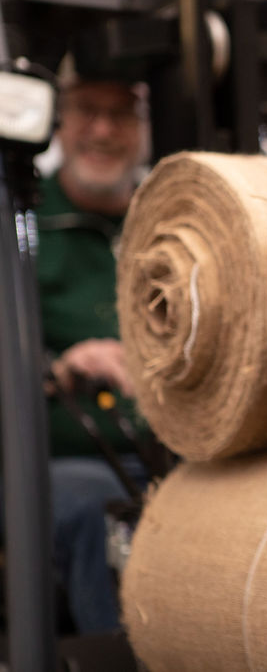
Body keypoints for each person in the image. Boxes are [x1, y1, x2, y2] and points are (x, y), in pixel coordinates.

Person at [32, 61, 150, 635]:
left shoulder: (169, 218)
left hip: (170, 454)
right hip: (55, 463)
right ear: (58, 119)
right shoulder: (22, 223)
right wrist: (60, 366)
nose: (102, 130)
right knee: (100, 509)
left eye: (120, 113)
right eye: (87, 111)